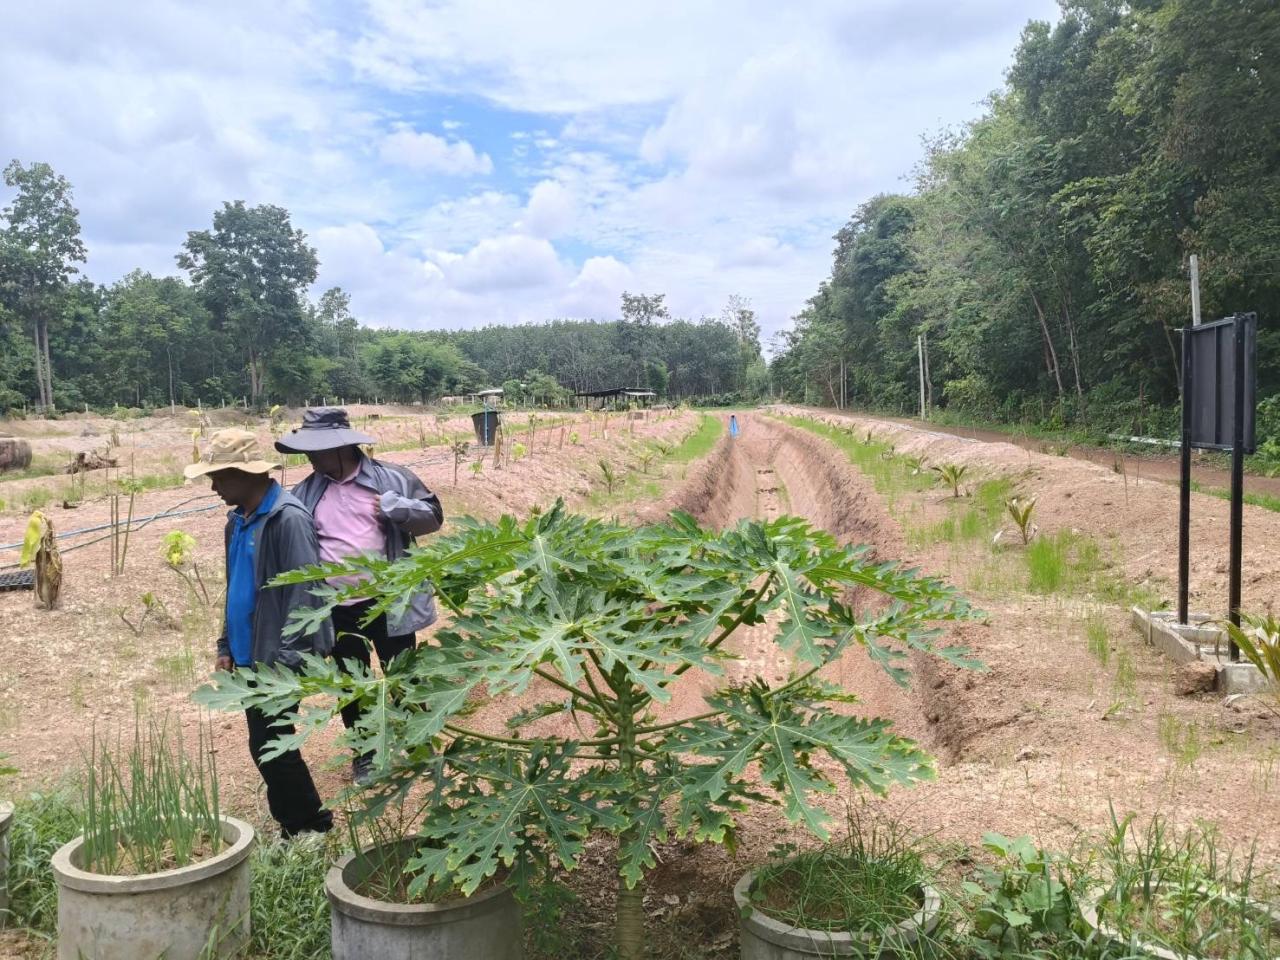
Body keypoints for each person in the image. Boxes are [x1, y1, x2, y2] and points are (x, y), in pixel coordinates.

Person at [276, 408, 444, 785]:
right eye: (308, 452)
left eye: (318, 451)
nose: (312, 459)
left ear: (343, 447)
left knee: (402, 676)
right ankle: (366, 754)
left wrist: (397, 509)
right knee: (352, 684)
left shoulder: (393, 479)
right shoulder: (305, 493)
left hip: (388, 601)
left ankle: (418, 744)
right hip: (336, 606)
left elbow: (433, 516)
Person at [185, 429, 334, 838]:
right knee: (266, 744)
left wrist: (285, 662)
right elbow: (236, 586)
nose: (213, 487)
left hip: (278, 658)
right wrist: (225, 644)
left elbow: (306, 595)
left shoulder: (287, 519)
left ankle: (309, 827)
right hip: (250, 652)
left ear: (245, 474)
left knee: (272, 745)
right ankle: (296, 823)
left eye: (218, 477)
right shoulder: (237, 521)